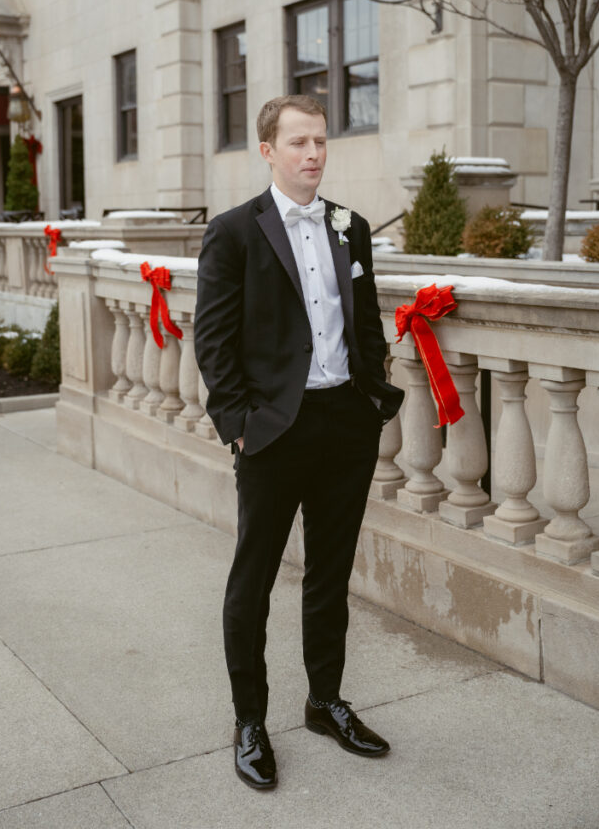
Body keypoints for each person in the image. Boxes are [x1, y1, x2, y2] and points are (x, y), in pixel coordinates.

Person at [194, 94, 404, 790]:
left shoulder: (352, 227)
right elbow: (214, 342)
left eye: (319, 141)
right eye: (297, 143)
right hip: (272, 433)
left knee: (330, 574)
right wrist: (240, 426)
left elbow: (365, 323)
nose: (312, 154)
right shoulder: (233, 233)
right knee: (251, 579)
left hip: (344, 424)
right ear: (267, 150)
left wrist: (373, 398)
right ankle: (249, 720)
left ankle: (324, 702)